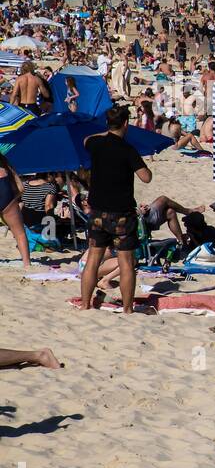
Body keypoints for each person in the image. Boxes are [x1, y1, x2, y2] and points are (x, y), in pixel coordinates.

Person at [79, 107, 151, 315]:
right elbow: (146, 177)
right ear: (126, 124)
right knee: (126, 263)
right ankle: (128, 309)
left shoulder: (96, 144)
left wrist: (107, 132)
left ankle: (85, 304)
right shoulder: (128, 150)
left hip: (98, 212)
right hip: (121, 213)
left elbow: (86, 139)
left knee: (93, 259)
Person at [0, 153, 31, 268]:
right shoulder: (5, 164)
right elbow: (21, 187)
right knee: (19, 233)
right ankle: (27, 264)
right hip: (6, 196)